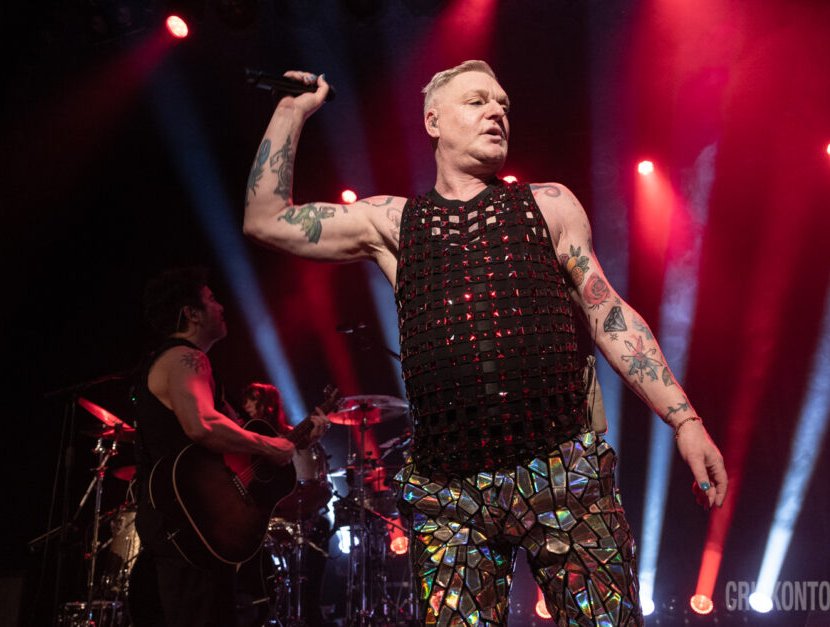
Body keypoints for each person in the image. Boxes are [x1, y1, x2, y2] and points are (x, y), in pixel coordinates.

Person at [242, 61, 727, 626]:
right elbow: (265, 219)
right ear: (433, 121)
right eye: (477, 101)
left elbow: (607, 312)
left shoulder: (549, 205)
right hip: (448, 491)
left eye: (502, 104)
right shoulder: (393, 222)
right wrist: (292, 110)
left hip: (563, 471)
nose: (497, 111)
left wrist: (685, 420)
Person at [132, 267, 328, 627]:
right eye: (211, 299)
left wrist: (294, 440)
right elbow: (202, 426)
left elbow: (232, 436)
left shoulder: (191, 365)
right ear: (191, 313)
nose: (221, 307)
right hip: (188, 517)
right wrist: (271, 446)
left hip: (196, 523)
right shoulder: (185, 358)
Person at [241, 383, 332, 626]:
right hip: (249, 510)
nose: (246, 405)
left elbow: (304, 475)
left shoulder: (290, 435)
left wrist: (310, 440)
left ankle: (309, 609)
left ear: (268, 404)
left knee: (321, 525)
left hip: (285, 509)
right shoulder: (240, 432)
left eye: (252, 400)